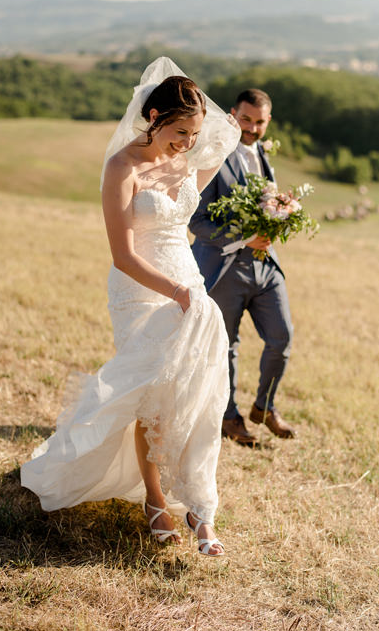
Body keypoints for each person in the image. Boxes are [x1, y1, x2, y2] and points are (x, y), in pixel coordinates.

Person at [20, 57, 241, 557]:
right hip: (140, 288)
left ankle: (202, 508)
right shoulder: (121, 167)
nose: (187, 143)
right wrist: (175, 291)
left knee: (198, 392)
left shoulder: (186, 162)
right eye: (180, 131)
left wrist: (190, 288)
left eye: (194, 133)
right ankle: (156, 499)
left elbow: (228, 133)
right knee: (150, 393)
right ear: (154, 114)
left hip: (189, 280)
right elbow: (122, 255)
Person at [189, 89, 295, 447]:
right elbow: (196, 220)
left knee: (281, 338)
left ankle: (264, 406)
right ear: (233, 114)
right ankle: (229, 417)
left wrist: (279, 218)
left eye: (260, 122)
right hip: (223, 267)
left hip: (266, 268)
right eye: (246, 119)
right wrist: (244, 237)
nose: (251, 128)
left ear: (268, 121)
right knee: (227, 346)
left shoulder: (263, 153)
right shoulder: (214, 154)